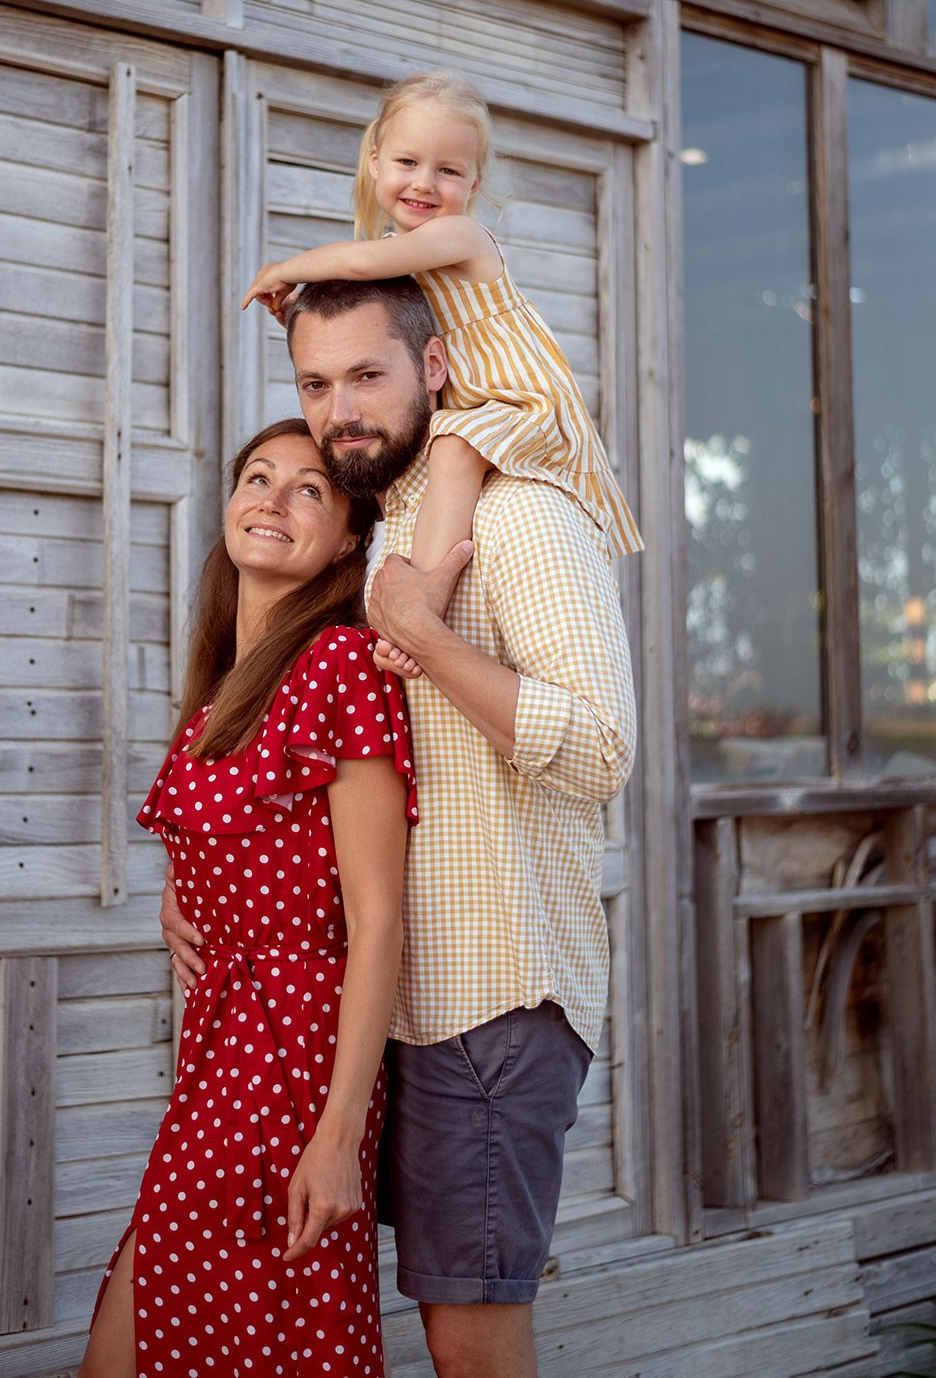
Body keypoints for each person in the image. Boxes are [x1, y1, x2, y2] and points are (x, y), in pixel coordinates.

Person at [166, 280, 637, 1378]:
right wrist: (197, 869)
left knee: (467, 1338)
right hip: (366, 1017)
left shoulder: (521, 518)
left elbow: (605, 747)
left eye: (367, 375)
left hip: (485, 996)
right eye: (316, 383)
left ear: (434, 371)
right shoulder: (378, 535)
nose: (341, 411)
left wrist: (429, 637)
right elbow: (307, 760)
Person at [80, 419, 415, 1378]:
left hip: (296, 1049)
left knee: (257, 1328)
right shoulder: (223, 686)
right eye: (257, 478)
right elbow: (230, 846)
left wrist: (340, 1132)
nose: (271, 497)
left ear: (351, 538)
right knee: (175, 1317)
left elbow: (377, 917)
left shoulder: (340, 666)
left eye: (310, 488)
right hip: (220, 1042)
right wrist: (181, 901)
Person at [242, 71, 642, 676]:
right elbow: (371, 344)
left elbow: (360, 258)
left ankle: (422, 599)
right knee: (442, 450)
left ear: (474, 182)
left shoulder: (460, 235)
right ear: (375, 163)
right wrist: (294, 317)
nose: (425, 183)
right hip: (472, 405)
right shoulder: (402, 256)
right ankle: (413, 599)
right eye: (408, 161)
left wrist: (286, 268)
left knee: (454, 447)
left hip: (515, 398)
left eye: (448, 171)